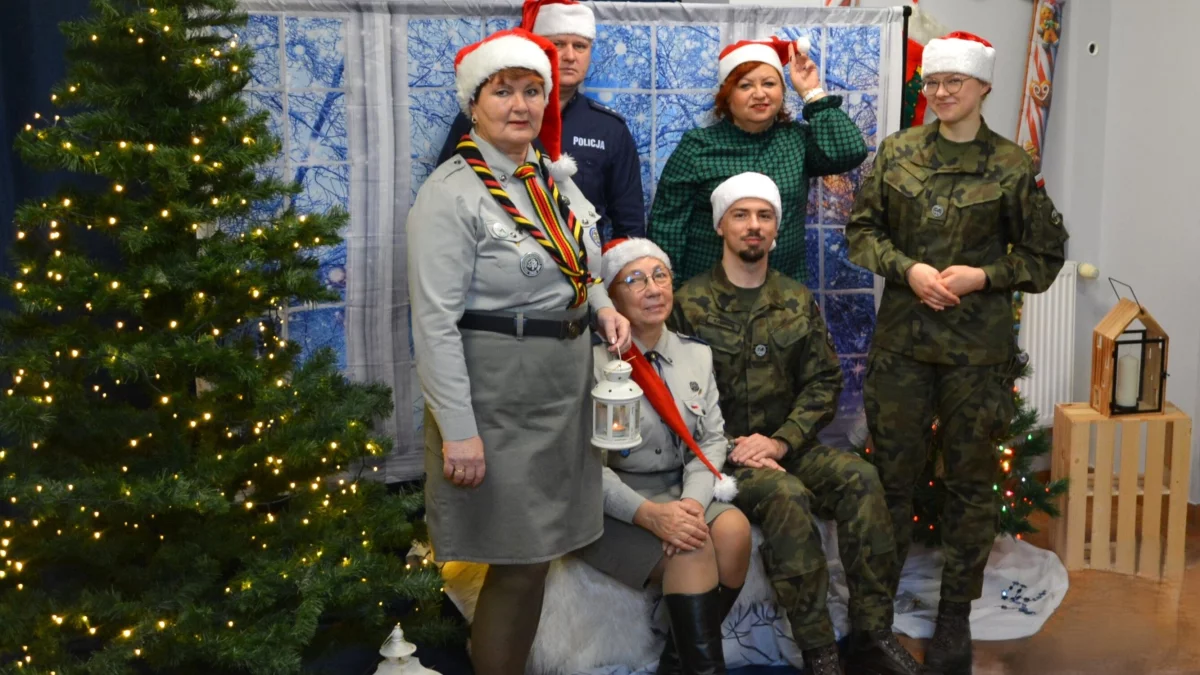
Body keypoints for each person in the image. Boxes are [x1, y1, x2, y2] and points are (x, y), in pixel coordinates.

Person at [408, 28, 632, 675]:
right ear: (473, 104)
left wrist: (603, 306)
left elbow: (577, 266)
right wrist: (459, 431)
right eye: (502, 90)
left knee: (536, 559)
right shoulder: (450, 194)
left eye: (533, 90)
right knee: (517, 562)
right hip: (497, 402)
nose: (520, 104)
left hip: (561, 395)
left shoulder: (551, 180)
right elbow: (434, 324)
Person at [846, 32, 1068, 674]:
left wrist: (982, 277)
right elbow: (862, 232)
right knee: (890, 482)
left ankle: (953, 619)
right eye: (933, 82)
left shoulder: (1012, 165)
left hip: (977, 354)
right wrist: (908, 269)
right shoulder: (898, 152)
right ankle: (873, 622)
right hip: (903, 349)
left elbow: (1043, 256)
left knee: (970, 486)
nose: (941, 93)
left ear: (983, 88)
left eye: (954, 83)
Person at [671, 173, 922, 675]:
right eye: (741, 215)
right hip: (724, 458)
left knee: (861, 479)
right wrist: (739, 446)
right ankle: (819, 650)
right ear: (721, 226)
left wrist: (783, 441)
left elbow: (824, 382)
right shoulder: (688, 304)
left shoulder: (794, 298)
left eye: (764, 216)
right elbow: (675, 395)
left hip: (790, 444)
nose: (753, 225)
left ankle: (873, 633)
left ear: (776, 229)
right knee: (785, 495)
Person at [574, 237, 752, 675]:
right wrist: (651, 516)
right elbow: (583, 467)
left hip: (680, 488)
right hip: (611, 505)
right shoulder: (587, 363)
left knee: (734, 531)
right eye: (635, 280)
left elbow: (711, 440)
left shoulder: (696, 354)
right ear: (611, 298)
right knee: (691, 551)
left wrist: (690, 504)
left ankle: (677, 662)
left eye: (660, 276)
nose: (653, 289)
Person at [649, 36, 867, 288]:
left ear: (782, 92)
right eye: (745, 86)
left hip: (783, 296)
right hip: (708, 296)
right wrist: (668, 292)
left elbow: (850, 151)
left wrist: (811, 91)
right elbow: (667, 228)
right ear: (727, 95)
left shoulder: (796, 141)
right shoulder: (697, 147)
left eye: (769, 83)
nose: (760, 94)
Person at [436, 0, 646, 243]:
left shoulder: (609, 129)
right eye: (558, 44)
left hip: (582, 261)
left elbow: (630, 227)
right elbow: (445, 198)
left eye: (580, 46)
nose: (569, 56)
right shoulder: (482, 118)